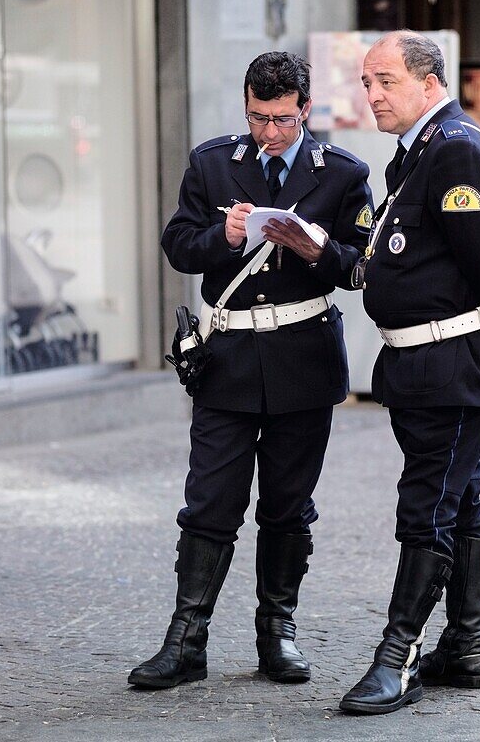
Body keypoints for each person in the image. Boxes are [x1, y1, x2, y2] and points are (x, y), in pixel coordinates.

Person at [129, 52, 371, 689]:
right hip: (229, 361)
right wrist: (225, 238)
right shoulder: (213, 163)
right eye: (258, 118)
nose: (269, 133)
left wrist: (317, 248)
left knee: (288, 508)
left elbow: (359, 268)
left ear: (305, 110)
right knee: (209, 503)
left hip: (303, 359)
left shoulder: (342, 174)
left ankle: (277, 633)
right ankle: (186, 640)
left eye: (283, 121)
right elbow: (178, 242)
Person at [339, 31, 480, 715]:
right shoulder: (421, 151)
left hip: (453, 364)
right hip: (421, 361)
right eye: (366, 81)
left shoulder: (455, 147)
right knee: (459, 500)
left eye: (384, 81)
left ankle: (396, 659)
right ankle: (465, 646)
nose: (370, 94)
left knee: (426, 504)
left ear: (429, 82)